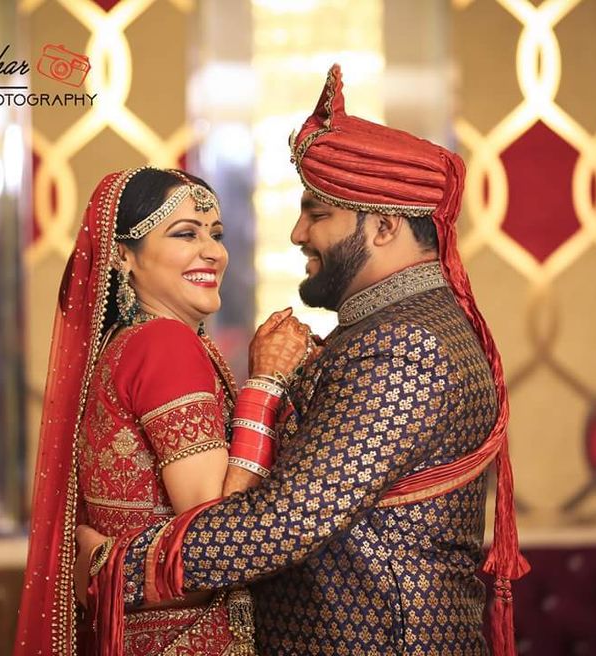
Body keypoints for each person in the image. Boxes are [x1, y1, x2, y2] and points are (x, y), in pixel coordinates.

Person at [76, 65, 530, 655]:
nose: (296, 233)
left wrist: (119, 569)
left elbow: (289, 519)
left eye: (317, 214)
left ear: (383, 227)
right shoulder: (376, 332)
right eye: (187, 234)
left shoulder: (406, 346)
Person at [13, 166, 312, 656]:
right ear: (123, 255)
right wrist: (267, 382)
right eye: (185, 234)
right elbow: (218, 533)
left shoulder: (124, 345)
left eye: (216, 234)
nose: (213, 251)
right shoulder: (164, 344)